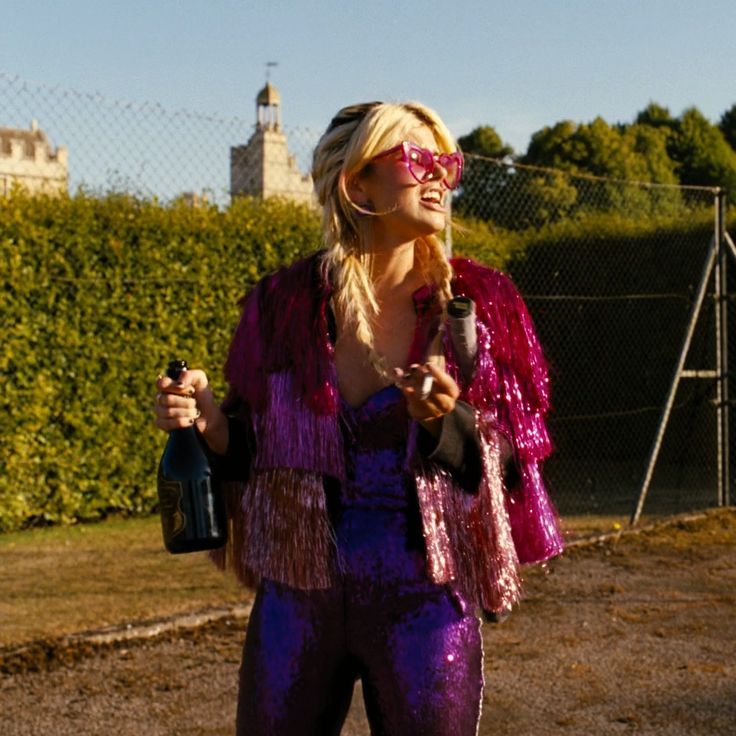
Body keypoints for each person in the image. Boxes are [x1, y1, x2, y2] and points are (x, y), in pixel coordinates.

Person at [154, 100, 563, 735]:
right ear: (356, 184)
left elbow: (509, 463)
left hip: (424, 603)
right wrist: (209, 423)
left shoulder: (478, 304)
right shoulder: (285, 304)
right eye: (418, 159)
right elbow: (256, 449)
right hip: (297, 601)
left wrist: (444, 423)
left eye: (448, 163)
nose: (441, 177)